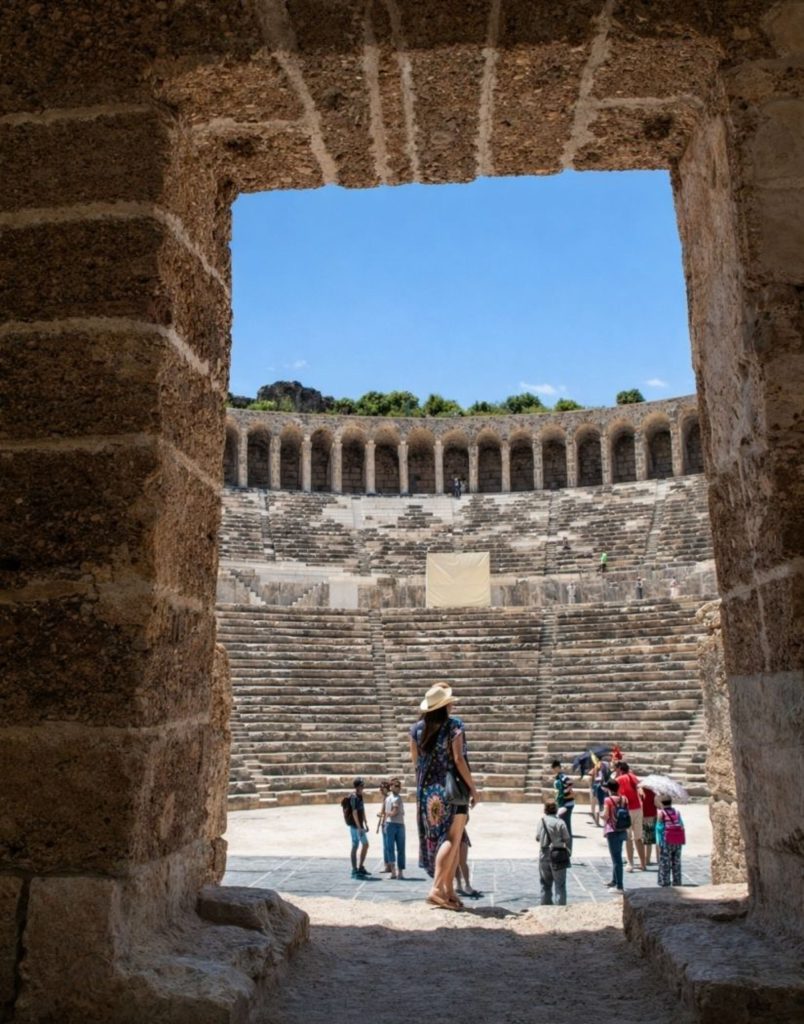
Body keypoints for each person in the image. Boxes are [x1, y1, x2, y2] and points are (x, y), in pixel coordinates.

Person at [410, 684, 479, 911]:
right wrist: (473, 788)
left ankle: (448, 892)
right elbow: (459, 760)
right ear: (445, 705)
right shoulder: (454, 726)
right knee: (451, 838)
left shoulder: (417, 729)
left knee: (442, 839)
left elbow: (416, 763)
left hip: (428, 794)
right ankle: (437, 889)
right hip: (451, 790)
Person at [536, 800, 571, 905]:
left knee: (545, 883)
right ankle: (560, 908)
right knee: (560, 884)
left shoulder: (541, 821)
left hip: (544, 853)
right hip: (558, 854)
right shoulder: (560, 822)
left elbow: (538, 837)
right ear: (556, 810)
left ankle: (545, 906)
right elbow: (567, 838)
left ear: (545, 810)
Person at [613, 761, 646, 871]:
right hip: (638, 809)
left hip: (626, 811)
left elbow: (611, 792)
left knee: (628, 838)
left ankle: (630, 864)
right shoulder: (632, 776)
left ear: (619, 769)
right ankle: (643, 864)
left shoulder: (618, 780)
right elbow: (639, 787)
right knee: (638, 838)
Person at [602, 779, 628, 893]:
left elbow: (606, 816)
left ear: (608, 789)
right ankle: (614, 880)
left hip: (612, 831)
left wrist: (600, 815)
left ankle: (619, 886)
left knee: (616, 859)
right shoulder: (623, 798)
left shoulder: (608, 800)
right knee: (617, 855)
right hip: (622, 830)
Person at [656, 797, 685, 886]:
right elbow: (681, 824)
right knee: (676, 861)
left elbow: (659, 828)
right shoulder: (677, 812)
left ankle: (665, 881)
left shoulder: (661, 813)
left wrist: (658, 841)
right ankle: (677, 881)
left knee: (665, 861)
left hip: (666, 841)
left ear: (661, 803)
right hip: (677, 841)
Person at [551, 759, 575, 856]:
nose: (552, 770)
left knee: (566, 827)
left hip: (566, 805)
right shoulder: (557, 778)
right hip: (562, 804)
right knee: (561, 826)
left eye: (553, 768)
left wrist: (564, 794)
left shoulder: (563, 777)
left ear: (557, 768)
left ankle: (568, 851)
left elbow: (570, 783)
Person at [347, 778, 370, 879]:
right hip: (355, 827)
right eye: (361, 786)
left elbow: (362, 809)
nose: (363, 787)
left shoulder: (360, 796)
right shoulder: (353, 797)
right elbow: (354, 812)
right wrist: (359, 827)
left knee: (360, 845)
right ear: (357, 787)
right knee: (359, 845)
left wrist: (365, 822)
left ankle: (359, 867)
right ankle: (355, 869)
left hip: (359, 826)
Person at [384, 778, 406, 879]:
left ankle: (397, 872)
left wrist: (387, 814)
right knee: (392, 848)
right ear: (391, 787)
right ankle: (395, 872)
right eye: (396, 786)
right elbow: (394, 812)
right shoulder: (389, 798)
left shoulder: (397, 798)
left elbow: (394, 812)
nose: (398, 788)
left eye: (399, 786)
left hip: (396, 824)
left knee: (398, 848)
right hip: (393, 824)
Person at [455, 830, 482, 898]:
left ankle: (465, 885)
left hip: (460, 834)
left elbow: (466, 820)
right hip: (452, 834)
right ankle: (461, 885)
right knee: (457, 862)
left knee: (461, 862)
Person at [376, 780, 393, 873]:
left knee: (387, 846)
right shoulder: (387, 798)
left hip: (386, 824)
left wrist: (380, 813)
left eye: (382, 789)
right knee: (387, 846)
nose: (381, 790)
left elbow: (385, 812)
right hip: (385, 823)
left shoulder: (388, 799)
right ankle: (388, 865)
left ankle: (388, 866)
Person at [640, 783, 658, 866]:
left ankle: (644, 859)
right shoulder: (653, 793)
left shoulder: (640, 793)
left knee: (644, 840)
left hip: (642, 817)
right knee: (649, 841)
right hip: (652, 817)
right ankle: (648, 859)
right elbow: (657, 805)